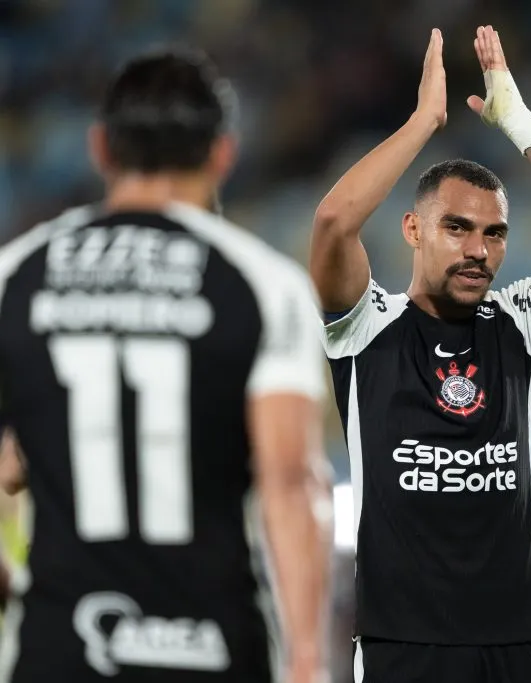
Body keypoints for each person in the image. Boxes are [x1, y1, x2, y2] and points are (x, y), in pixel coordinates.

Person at [310, 25, 531, 683]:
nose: (478, 250)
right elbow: (334, 222)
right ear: (413, 229)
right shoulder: (364, 328)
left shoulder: (521, 323)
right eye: (456, 227)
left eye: (494, 233)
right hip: (406, 643)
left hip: (510, 639)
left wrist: (516, 120)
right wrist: (424, 122)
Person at [0, 47, 334, 683]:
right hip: (212, 646)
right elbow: (292, 482)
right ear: (221, 155)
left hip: (60, 647)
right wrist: (309, 663)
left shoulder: (16, 275)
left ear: (100, 149)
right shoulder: (262, 282)